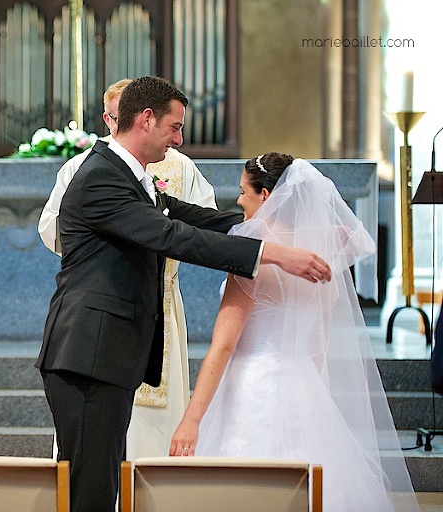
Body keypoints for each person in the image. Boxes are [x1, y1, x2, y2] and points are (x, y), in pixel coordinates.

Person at [36, 76, 332, 512]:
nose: (178, 140)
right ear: (146, 119)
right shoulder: (99, 177)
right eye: (174, 128)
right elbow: (173, 236)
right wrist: (271, 254)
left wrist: (275, 224)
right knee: (91, 490)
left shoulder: (131, 175)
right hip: (87, 354)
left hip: (104, 355)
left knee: (102, 483)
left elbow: (195, 218)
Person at [169, 153, 419, 512]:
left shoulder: (253, 250)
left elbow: (223, 346)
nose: (239, 200)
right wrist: (307, 395)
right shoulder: (317, 255)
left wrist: (191, 420)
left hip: (251, 384)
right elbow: (319, 344)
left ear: (266, 195)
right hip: (303, 386)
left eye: (244, 192)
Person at [38, 78, 217, 462]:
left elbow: (198, 221)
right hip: (105, 315)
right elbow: (55, 228)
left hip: (155, 304)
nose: (178, 139)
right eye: (119, 116)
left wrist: (260, 238)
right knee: (94, 460)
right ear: (111, 118)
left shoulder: (178, 169)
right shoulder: (89, 170)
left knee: (122, 443)